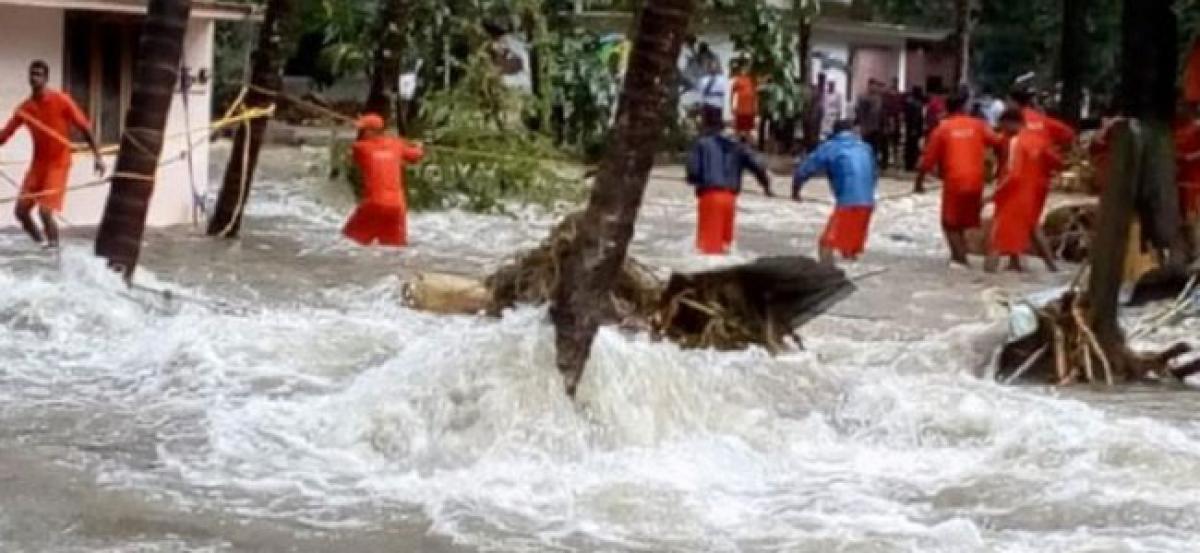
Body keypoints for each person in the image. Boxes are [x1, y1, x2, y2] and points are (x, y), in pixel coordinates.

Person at [0, 60, 105, 249]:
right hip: (38, 165)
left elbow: (85, 127)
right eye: (32, 74)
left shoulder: (61, 100)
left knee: (45, 212)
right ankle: (42, 246)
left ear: (46, 78)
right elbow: (5, 135)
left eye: (39, 74)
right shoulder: (25, 109)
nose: (35, 78)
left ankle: (54, 250)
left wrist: (98, 157)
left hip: (59, 163)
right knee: (21, 211)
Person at [914, 92, 1004, 267]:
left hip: (954, 181)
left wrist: (918, 184)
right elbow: (1000, 143)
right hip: (976, 181)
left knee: (948, 223)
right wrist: (1000, 169)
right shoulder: (979, 125)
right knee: (962, 221)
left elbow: (926, 162)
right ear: (964, 107)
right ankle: (961, 256)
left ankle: (960, 259)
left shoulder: (942, 129)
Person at [685, 109, 773, 255]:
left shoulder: (701, 144)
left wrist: (695, 180)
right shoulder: (738, 146)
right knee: (726, 246)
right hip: (730, 198)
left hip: (710, 196)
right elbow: (758, 166)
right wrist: (766, 187)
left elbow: (693, 171)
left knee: (708, 249)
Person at [986, 108, 1062, 273]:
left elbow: (1013, 175)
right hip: (1032, 194)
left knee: (996, 239)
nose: (1003, 131)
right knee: (1033, 228)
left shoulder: (1016, 142)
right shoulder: (1040, 139)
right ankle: (1053, 268)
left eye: (1003, 126)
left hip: (1013, 196)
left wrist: (993, 195)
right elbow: (1056, 161)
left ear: (1010, 123)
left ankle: (984, 281)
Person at [793, 119, 878, 266]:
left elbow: (805, 169)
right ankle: (852, 275)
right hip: (868, 203)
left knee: (826, 244)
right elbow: (874, 175)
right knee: (849, 248)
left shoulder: (831, 147)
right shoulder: (865, 148)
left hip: (848, 203)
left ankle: (827, 277)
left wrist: (795, 190)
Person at [342, 113, 425, 248]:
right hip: (397, 206)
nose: (360, 132)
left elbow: (352, 156)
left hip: (373, 204)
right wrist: (419, 147)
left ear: (370, 132)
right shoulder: (397, 144)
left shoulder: (360, 147)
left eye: (362, 130)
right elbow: (416, 156)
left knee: (349, 243)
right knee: (394, 250)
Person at [1009, 87, 1076, 149]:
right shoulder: (1040, 118)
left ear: (1014, 102)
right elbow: (1069, 133)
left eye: (1008, 102)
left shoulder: (1013, 121)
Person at [1175, 100, 1200, 257]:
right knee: (1179, 222)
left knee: (1194, 221)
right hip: (1177, 182)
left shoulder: (1197, 127)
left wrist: (1188, 158)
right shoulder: (1175, 128)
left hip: (1195, 183)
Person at [855, 80, 886, 169]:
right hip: (866, 127)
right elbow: (859, 111)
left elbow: (880, 113)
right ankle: (865, 164)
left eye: (875, 86)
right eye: (872, 86)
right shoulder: (863, 97)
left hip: (876, 127)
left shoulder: (878, 98)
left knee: (875, 147)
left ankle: (873, 164)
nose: (874, 88)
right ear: (869, 86)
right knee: (865, 147)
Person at [730, 60, 758, 142]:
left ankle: (748, 147)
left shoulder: (752, 80)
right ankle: (736, 145)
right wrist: (732, 106)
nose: (744, 71)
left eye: (746, 69)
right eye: (743, 69)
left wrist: (756, 107)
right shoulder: (737, 80)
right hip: (740, 109)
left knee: (748, 130)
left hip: (749, 110)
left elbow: (756, 95)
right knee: (738, 130)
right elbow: (732, 94)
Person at [697, 57, 729, 127]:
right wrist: (700, 105)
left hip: (717, 105)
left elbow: (725, 94)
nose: (713, 68)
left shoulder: (722, 79)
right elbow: (700, 94)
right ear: (708, 68)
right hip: (706, 105)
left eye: (715, 66)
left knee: (716, 125)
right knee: (706, 125)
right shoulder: (703, 80)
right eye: (711, 66)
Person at [903, 86, 927, 171]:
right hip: (914, 127)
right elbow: (916, 118)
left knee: (910, 145)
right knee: (912, 146)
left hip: (910, 127)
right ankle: (911, 164)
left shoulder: (909, 101)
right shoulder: (916, 103)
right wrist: (916, 128)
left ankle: (909, 164)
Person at [883, 79, 904, 168]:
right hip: (889, 120)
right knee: (888, 141)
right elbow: (886, 109)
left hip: (896, 121)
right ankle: (889, 160)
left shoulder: (899, 95)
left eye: (896, 82)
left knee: (895, 142)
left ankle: (895, 160)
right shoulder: (888, 95)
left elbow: (900, 110)